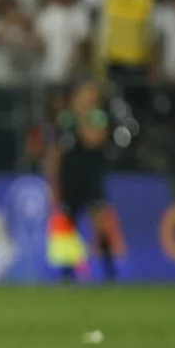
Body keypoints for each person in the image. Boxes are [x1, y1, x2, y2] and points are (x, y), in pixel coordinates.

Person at [45, 80, 119, 282]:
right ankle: (67, 274)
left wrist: (83, 119)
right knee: (67, 226)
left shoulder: (98, 117)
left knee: (100, 224)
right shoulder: (64, 120)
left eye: (91, 95)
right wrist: (52, 182)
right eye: (84, 94)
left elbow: (94, 139)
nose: (88, 99)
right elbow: (55, 153)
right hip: (70, 180)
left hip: (91, 177)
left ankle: (110, 271)